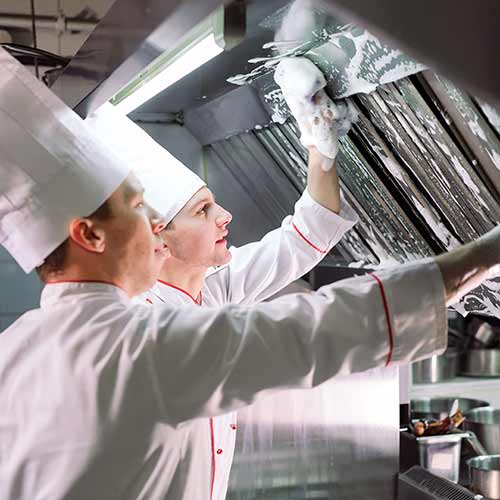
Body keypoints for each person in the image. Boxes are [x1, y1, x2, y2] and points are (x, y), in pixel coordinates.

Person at [1, 47, 499, 500]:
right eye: (136, 209)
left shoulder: (17, 347)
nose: (151, 227)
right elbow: (324, 329)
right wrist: (489, 252)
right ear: (90, 236)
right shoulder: (137, 346)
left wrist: (319, 141)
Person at [85, 92, 358, 499]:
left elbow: (306, 236)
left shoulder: (216, 286)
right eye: (203, 211)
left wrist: (320, 143)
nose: (224, 216)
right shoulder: (140, 324)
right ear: (160, 236)